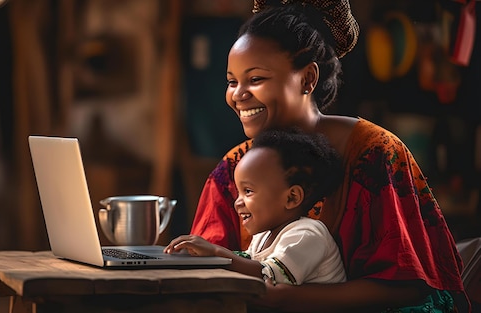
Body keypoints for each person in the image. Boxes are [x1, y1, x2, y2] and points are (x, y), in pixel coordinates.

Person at [188, 0, 470, 312]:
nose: (238, 95)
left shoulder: (375, 154)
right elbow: (206, 269)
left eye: (255, 79)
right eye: (231, 81)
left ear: (307, 79)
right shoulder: (233, 168)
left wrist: (286, 299)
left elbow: (408, 287)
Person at [165, 129, 347, 289]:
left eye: (248, 191)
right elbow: (247, 261)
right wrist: (204, 253)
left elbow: (268, 277)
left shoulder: (307, 235)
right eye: (238, 193)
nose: (238, 202)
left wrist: (215, 252)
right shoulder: (264, 235)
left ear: (292, 197)